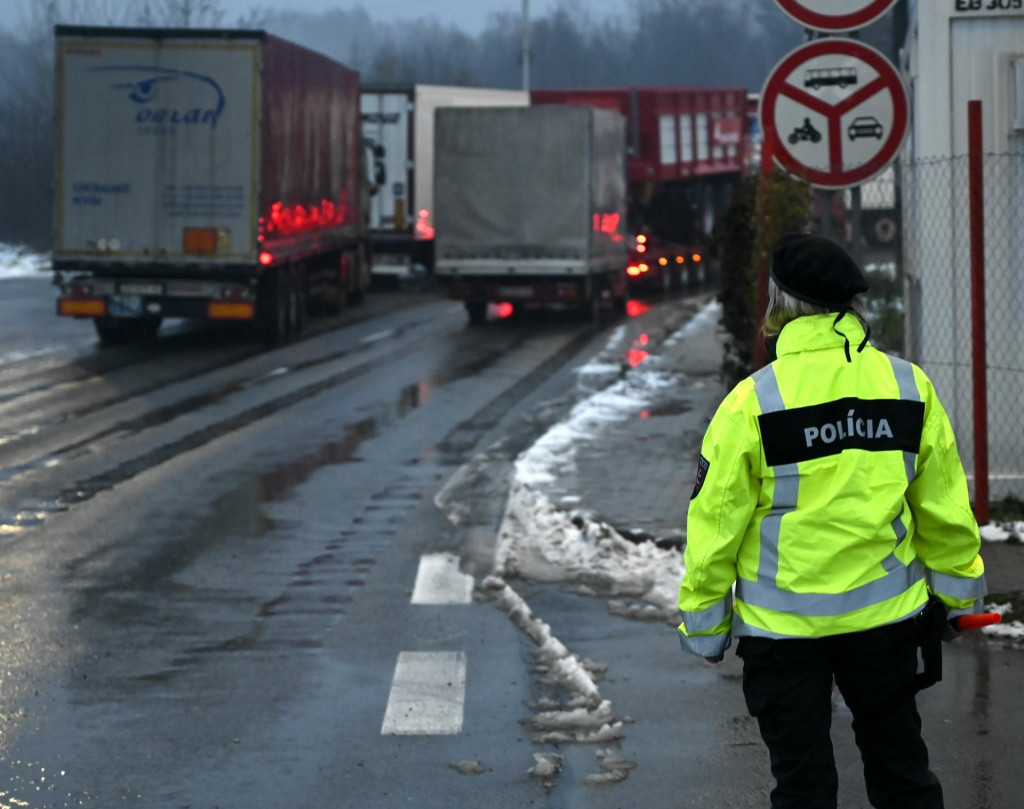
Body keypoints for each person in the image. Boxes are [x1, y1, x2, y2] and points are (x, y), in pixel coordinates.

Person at [676, 233, 987, 809]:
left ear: (777, 305)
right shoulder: (907, 386)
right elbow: (944, 507)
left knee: (803, 789)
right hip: (886, 627)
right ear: (851, 304)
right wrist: (958, 600)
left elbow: (715, 528)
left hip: (781, 636)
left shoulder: (751, 403)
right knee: (902, 777)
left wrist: (706, 628)